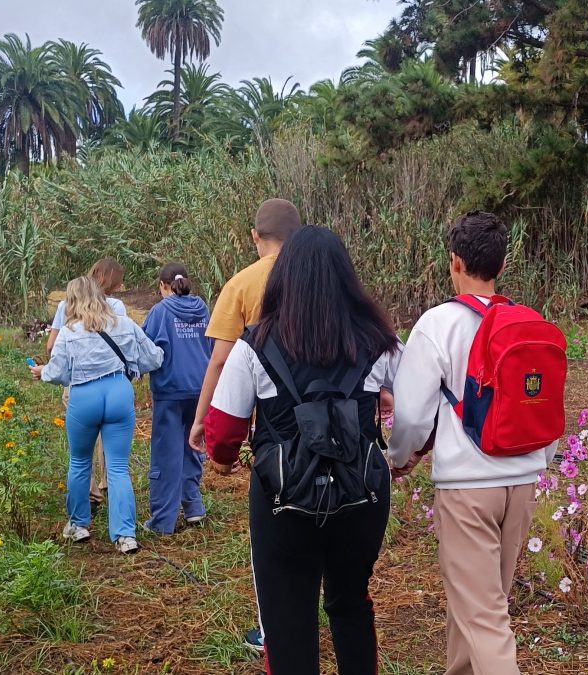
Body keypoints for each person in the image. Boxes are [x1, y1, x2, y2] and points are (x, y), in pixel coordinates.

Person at [202, 227, 400, 674]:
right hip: (360, 494)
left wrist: (224, 461)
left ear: (283, 278)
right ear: (346, 278)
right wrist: (404, 456)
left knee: (286, 614)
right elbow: (419, 408)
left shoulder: (254, 344)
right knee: (351, 601)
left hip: (282, 498)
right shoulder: (379, 341)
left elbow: (224, 431)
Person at [388, 211, 557, 675]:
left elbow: (412, 416)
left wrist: (399, 457)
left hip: (467, 489)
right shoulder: (529, 323)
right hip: (521, 483)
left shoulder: (437, 325)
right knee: (479, 605)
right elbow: (544, 409)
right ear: (502, 265)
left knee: (484, 619)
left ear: (454, 262)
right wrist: (537, 462)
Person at [187, 197, 301, 652]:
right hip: (332, 419)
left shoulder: (242, 283)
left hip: (273, 424)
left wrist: (203, 421)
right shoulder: (322, 275)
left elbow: (220, 361)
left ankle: (273, 628)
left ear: (255, 236)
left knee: (272, 533)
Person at [31, 276, 164, 554]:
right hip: (118, 392)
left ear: (72, 300)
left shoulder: (69, 331)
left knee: (80, 461)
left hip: (84, 395)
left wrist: (42, 372)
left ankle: (78, 524)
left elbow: (58, 373)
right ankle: (125, 535)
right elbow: (153, 358)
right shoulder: (125, 324)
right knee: (118, 467)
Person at [47, 258, 127, 509]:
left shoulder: (66, 304)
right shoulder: (116, 306)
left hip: (78, 385)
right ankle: (111, 486)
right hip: (114, 385)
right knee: (111, 443)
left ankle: (88, 497)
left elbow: (51, 346)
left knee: (80, 453)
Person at [141, 263, 212, 534]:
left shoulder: (160, 312)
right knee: (192, 446)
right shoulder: (202, 309)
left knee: (165, 455)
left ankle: (162, 521)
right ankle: (193, 506)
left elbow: (145, 348)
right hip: (201, 390)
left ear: (163, 285)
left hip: (170, 391)